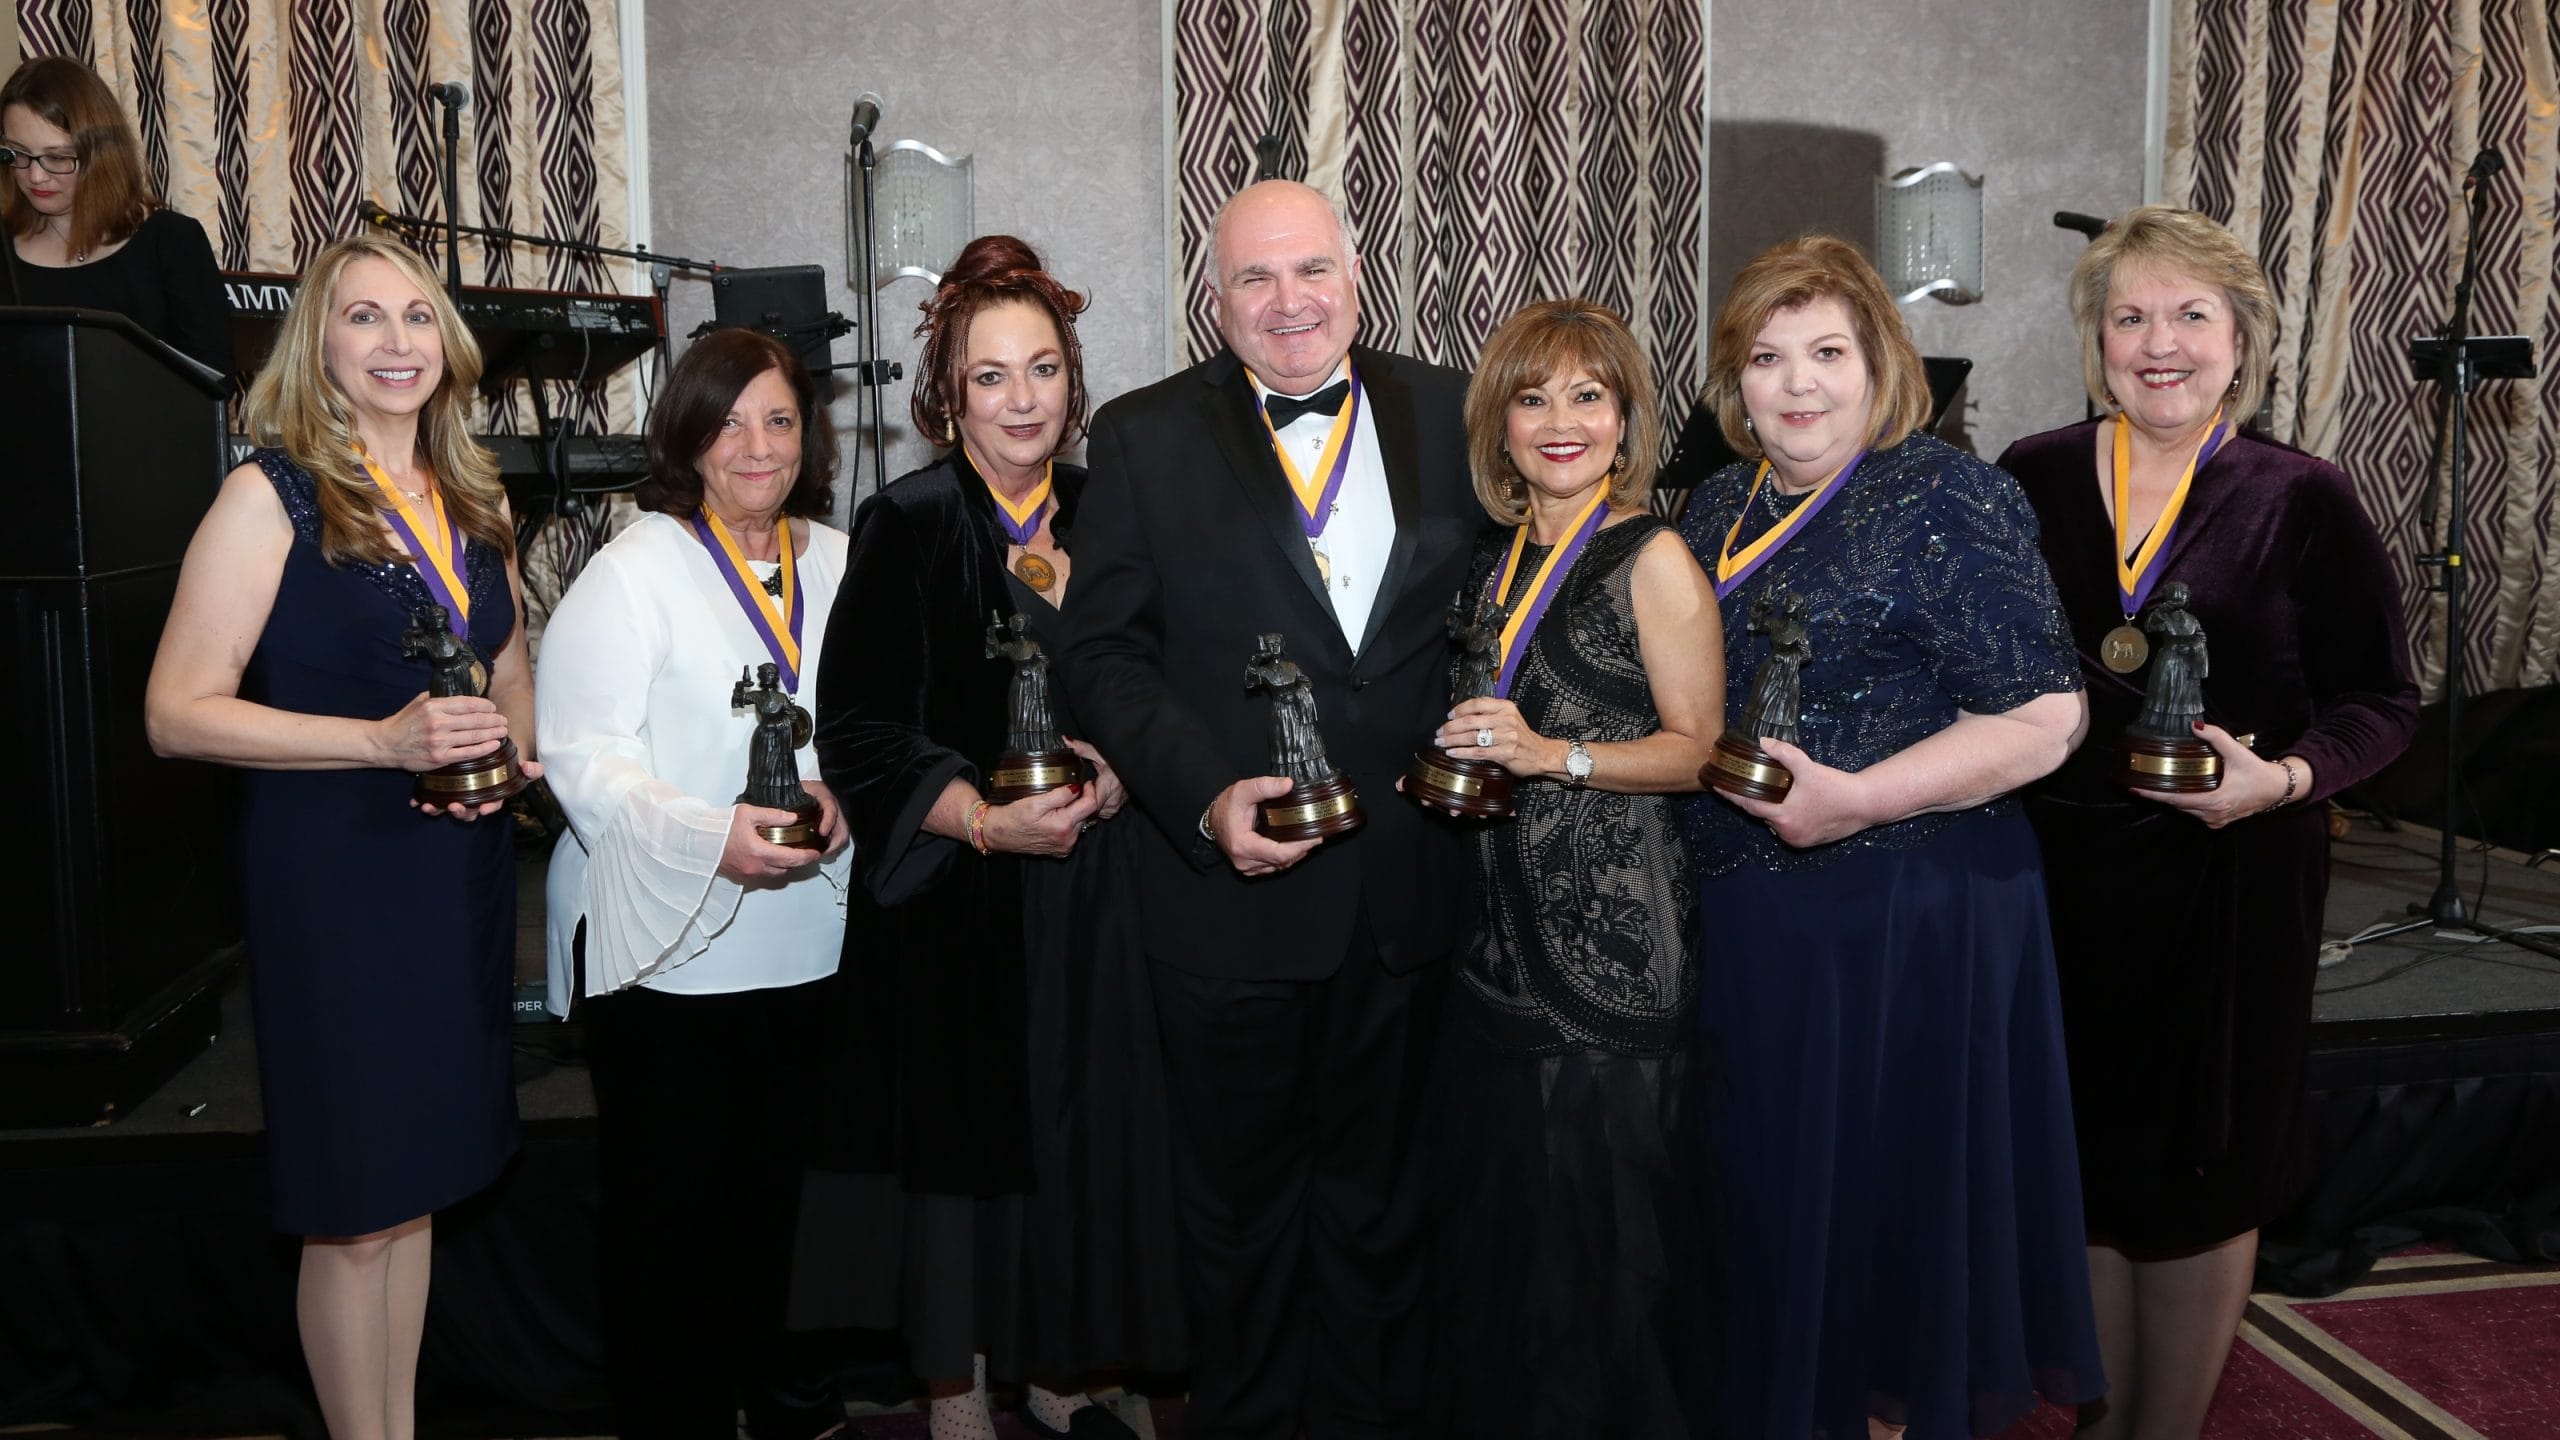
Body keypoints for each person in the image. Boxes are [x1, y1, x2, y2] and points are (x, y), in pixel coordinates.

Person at [1060, 179, 1479, 1440]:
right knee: (1237, 1225)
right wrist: (1200, 797)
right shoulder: (1140, 438)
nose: (1286, 303)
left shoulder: (1460, 410)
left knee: (1389, 1212)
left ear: (1356, 277)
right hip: (1227, 903)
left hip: (1415, 891)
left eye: (1308, 272)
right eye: (1254, 278)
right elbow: (1101, 658)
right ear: (1215, 296)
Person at [1673, 235, 2106, 1440]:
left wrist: (1858, 800)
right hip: (1754, 912)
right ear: (1734, 379)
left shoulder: (1942, 493)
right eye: (1766, 357)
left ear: (1880, 366)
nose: (1796, 384)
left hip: (1903, 909)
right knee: (1773, 1204)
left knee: (1881, 1213)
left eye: (1827, 353)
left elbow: (2045, 716)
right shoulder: (1716, 503)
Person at [1997, 204, 2419, 1440]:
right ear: (2096, 342)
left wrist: (2283, 779)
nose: (2159, 343)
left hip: (2228, 886)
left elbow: (2383, 700)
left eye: (2190, 315)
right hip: (2058, 881)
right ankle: (2098, 1419)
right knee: (2082, 1171)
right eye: (2130, 317)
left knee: (2198, 1174)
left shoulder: (2301, 496)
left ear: (2243, 340)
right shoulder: (2030, 474)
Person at [142, 233, 531, 1440]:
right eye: (365, 318)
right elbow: (173, 713)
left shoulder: (477, 496)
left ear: (448, 342)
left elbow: (512, 667)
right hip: (336, 880)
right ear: (320, 342)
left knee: (411, 1197)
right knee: (353, 1206)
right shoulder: (271, 494)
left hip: (455, 872)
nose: (397, 343)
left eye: (417, 317)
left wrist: (509, 759)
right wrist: (377, 744)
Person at [802, 233, 1175, 1440]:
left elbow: (1159, 684)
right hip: (965, 892)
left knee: (1080, 1137)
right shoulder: (905, 522)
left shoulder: (1113, 515)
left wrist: (1122, 773)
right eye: (990, 377)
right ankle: (957, 1385)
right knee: (967, 1161)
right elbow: (854, 724)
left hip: (1099, 890)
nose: (1023, 400)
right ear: (944, 396)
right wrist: (978, 817)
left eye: (1044, 370)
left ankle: (1058, 1364)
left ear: (1074, 379)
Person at [534, 326, 854, 1440]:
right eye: (726, 424)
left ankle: (788, 1405)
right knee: (673, 1229)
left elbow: (872, 727)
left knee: (788, 1214)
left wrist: (850, 790)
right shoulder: (633, 570)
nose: (756, 447)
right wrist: (706, 836)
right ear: (685, 437)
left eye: (777, 419)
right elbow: (582, 756)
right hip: (666, 956)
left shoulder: (842, 561)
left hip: (810, 943)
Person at [1421, 298, 1724, 1438]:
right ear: (1498, 424)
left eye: (1587, 395)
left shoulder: (1653, 557)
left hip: (1613, 949)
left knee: (1600, 1251)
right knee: (1510, 1235)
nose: (1560, 420)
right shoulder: (1493, 559)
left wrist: (1555, 756)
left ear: (1624, 417)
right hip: (1493, 944)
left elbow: (1699, 753)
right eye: (1532, 396)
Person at [1, 56, 232, 374]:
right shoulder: (4, 245)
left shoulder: (171, 242)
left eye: (57, 157)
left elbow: (213, 384)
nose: (36, 176)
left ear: (101, 153)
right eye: (18, 154)